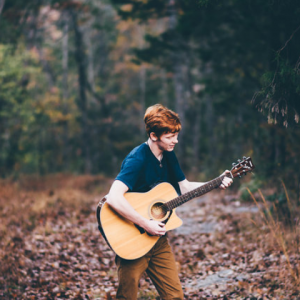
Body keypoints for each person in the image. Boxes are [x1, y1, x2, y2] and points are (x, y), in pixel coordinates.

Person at [106, 104, 232, 300]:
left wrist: (216, 181)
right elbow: (113, 197)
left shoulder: (168, 155)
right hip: (133, 239)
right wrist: (145, 223)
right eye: (170, 136)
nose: (176, 140)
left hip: (158, 240)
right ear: (154, 136)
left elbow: (185, 188)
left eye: (176, 134)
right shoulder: (137, 159)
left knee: (175, 296)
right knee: (127, 297)